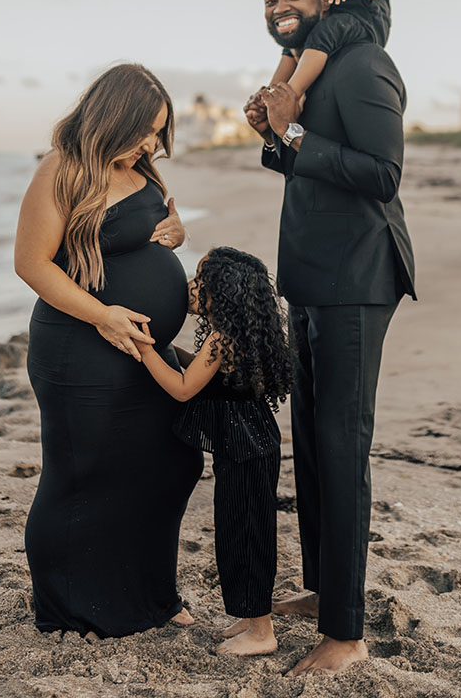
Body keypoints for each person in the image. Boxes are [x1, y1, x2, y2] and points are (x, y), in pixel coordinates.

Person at [244, 0, 416, 678]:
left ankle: (345, 633)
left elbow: (381, 174)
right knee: (311, 444)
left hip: (357, 276)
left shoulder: (363, 62)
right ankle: (323, 592)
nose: (278, 4)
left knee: (341, 448)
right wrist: (274, 131)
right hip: (308, 279)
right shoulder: (305, 71)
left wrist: (294, 134)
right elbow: (297, 161)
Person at [14, 63, 203, 639]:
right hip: (80, 350)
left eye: (159, 131)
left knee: (165, 465)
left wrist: (175, 233)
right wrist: (104, 316)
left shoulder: (139, 169)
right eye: (145, 130)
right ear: (110, 117)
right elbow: (31, 263)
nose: (152, 143)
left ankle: (150, 593)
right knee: (82, 475)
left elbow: (151, 230)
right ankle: (69, 606)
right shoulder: (63, 169)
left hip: (142, 350)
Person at [135, 246, 291, 658]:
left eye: (201, 280)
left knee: (245, 535)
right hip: (252, 442)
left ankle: (262, 631)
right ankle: (249, 615)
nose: (191, 285)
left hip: (245, 448)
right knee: (241, 530)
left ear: (222, 292)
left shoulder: (223, 339)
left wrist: (146, 350)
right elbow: (204, 374)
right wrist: (171, 353)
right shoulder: (240, 332)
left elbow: (184, 388)